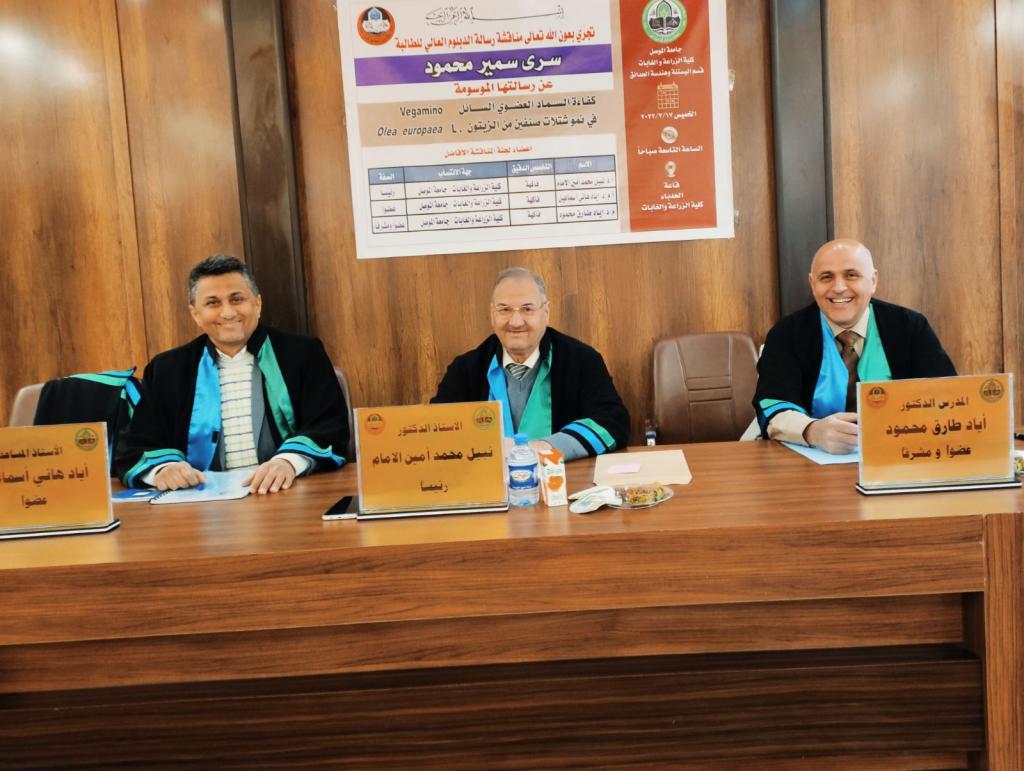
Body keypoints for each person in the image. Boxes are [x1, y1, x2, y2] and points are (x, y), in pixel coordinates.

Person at [114, 255, 349, 493]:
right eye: (213, 303)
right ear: (195, 314)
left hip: (286, 491)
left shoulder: (303, 354)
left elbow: (330, 425)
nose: (227, 313)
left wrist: (288, 462)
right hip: (200, 502)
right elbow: (137, 442)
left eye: (237, 299)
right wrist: (164, 469)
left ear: (257, 304)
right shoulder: (168, 369)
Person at [754, 238, 956, 454]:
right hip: (811, 460)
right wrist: (813, 431)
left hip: (900, 454)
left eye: (851, 275)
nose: (839, 288)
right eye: (826, 277)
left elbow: (945, 397)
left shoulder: (909, 327)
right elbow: (773, 405)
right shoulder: (787, 334)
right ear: (813, 284)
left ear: (873, 280)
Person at [432, 267, 629, 460]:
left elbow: (612, 423)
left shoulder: (581, 361)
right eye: (504, 309)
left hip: (561, 477)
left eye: (527, 309)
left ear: (546, 312)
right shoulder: (466, 369)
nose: (516, 322)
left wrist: (544, 448)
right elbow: (436, 431)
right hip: (489, 480)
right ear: (492, 314)